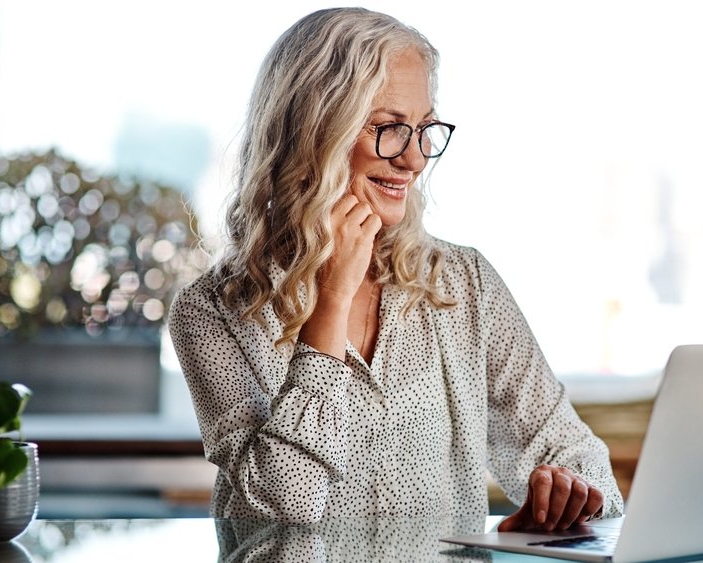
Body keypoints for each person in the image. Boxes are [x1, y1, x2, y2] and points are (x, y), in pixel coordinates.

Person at [169, 7, 623, 531]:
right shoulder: (213, 310)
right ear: (315, 130)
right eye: (389, 129)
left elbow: (577, 456)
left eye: (424, 129)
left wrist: (564, 504)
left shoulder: (462, 282)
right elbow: (285, 506)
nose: (415, 160)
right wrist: (332, 300)